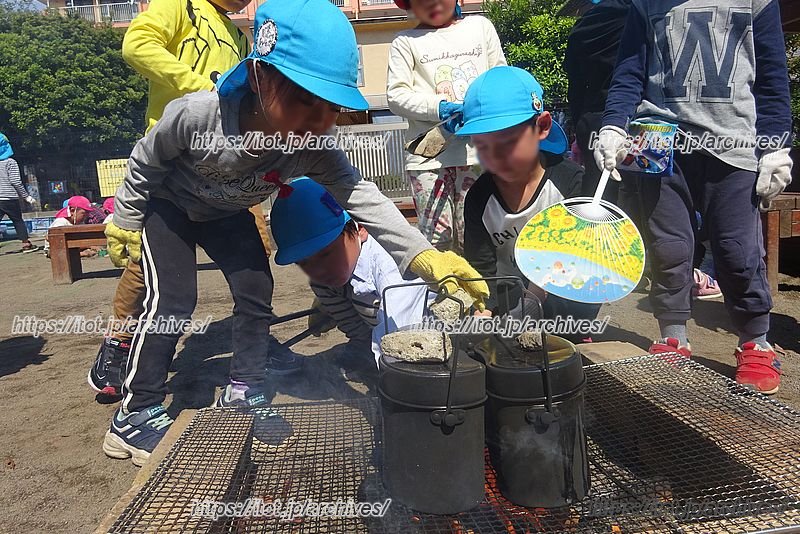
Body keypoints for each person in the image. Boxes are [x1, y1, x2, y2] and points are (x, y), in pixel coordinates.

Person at [101, 0, 488, 467]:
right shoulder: (199, 115)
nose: (318, 120)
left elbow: (361, 194)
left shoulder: (308, 144)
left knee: (255, 289)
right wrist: (125, 217)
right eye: (306, 100)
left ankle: (244, 389)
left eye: (330, 106)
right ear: (262, 79)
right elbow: (147, 159)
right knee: (174, 299)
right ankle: (135, 412)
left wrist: (427, 259)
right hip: (169, 206)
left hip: (225, 212)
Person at [88, 0, 287, 401]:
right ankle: (120, 342)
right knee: (150, 269)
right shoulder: (181, 5)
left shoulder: (238, 33)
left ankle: (254, 352)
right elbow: (137, 44)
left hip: (228, 162)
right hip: (171, 161)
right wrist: (201, 87)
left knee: (254, 264)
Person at [594, 0, 792, 393]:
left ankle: (756, 340)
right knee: (669, 245)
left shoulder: (758, 2)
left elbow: (772, 76)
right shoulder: (646, 4)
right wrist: (614, 125)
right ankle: (672, 333)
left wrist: (777, 145)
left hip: (735, 147)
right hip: (659, 143)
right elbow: (628, 73)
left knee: (738, 249)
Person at [458, 66, 601, 336]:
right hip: (508, 304)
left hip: (567, 306)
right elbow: (482, 268)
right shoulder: (479, 197)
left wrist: (535, 298)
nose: (495, 157)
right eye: (482, 146)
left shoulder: (570, 183)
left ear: (542, 126)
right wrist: (483, 315)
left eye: (507, 143)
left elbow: (583, 256)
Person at [270, 177, 430, 375]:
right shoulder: (326, 278)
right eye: (303, 263)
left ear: (360, 228)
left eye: (326, 254)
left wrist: (391, 383)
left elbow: (401, 343)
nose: (318, 270)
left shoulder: (392, 271)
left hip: (423, 337)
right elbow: (354, 327)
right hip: (378, 326)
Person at [387, 0, 506, 253]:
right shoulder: (405, 41)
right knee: (436, 240)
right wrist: (438, 107)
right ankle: (443, 292)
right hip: (428, 159)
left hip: (479, 154)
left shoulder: (480, 27)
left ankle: (482, 291)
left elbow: (500, 78)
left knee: (475, 236)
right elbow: (396, 96)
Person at [0, 134, 39, 253]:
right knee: (17, 220)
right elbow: (16, 181)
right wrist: (26, 196)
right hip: (9, 197)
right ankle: (26, 244)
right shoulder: (10, 162)